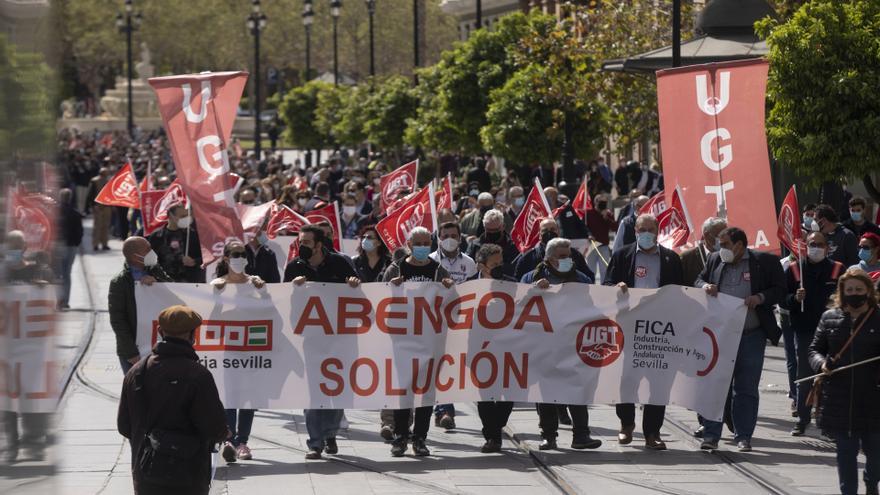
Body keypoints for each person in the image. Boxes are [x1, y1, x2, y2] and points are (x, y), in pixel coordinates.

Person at [117, 305, 228, 495]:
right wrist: (224, 433)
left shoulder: (136, 372)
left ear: (160, 332)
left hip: (146, 473)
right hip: (188, 475)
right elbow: (214, 427)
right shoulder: (198, 375)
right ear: (193, 335)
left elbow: (124, 425)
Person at [696, 227, 786, 452]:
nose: (721, 248)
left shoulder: (763, 261)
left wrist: (760, 298)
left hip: (751, 335)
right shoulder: (715, 260)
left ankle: (743, 436)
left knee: (746, 388)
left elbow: (780, 289)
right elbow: (699, 279)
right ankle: (711, 435)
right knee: (716, 385)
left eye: (725, 244)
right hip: (720, 336)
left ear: (739, 245)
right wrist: (705, 286)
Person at [604, 214, 683, 450]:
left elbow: (681, 291)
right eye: (643, 229)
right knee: (627, 379)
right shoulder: (622, 255)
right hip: (629, 327)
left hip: (659, 331)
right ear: (636, 231)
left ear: (658, 232)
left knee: (659, 382)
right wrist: (616, 288)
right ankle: (626, 424)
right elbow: (606, 284)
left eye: (652, 229)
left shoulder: (670, 258)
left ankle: (652, 432)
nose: (647, 233)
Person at [284, 225, 360, 459]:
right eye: (300, 242)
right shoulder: (294, 267)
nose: (302, 247)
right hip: (312, 338)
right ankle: (315, 443)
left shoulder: (340, 263)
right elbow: (282, 299)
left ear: (319, 244)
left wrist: (355, 286)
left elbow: (361, 297)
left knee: (337, 388)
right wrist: (293, 288)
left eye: (306, 242)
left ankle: (330, 434)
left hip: (341, 338)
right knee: (315, 390)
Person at [520, 237, 601, 450]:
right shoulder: (531, 277)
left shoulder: (582, 279)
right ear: (549, 259)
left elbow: (596, 307)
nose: (568, 260)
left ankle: (581, 435)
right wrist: (533, 290)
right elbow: (517, 306)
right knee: (545, 392)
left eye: (570, 256)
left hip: (573, 344)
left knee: (577, 388)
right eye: (562, 257)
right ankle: (548, 435)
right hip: (543, 345)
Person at [382, 227, 454, 457]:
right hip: (402, 341)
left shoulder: (437, 270)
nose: (423, 247)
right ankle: (401, 437)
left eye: (427, 242)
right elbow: (380, 298)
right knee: (404, 391)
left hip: (430, 342)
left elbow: (451, 301)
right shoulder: (396, 268)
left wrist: (448, 288)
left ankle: (420, 438)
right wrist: (391, 287)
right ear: (409, 244)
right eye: (419, 243)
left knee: (426, 392)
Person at [809, 269, 880, 495]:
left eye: (859, 290)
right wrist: (822, 364)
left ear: (869, 291)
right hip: (840, 397)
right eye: (849, 290)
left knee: (876, 453)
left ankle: (871, 483)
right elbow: (814, 350)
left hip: (873, 398)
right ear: (842, 291)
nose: (854, 294)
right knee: (846, 454)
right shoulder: (829, 317)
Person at [780, 232, 845, 436]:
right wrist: (794, 298)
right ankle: (802, 418)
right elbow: (782, 299)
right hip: (805, 329)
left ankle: (829, 422)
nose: (815, 247)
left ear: (827, 247)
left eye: (819, 244)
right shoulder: (794, 269)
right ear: (805, 246)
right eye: (811, 244)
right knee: (805, 376)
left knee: (832, 376)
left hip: (833, 331)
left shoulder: (838, 269)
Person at [208, 241, 266, 463]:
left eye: (243, 254)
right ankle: (230, 440)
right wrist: (219, 297)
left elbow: (269, 312)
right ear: (225, 258)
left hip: (252, 349)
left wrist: (263, 292)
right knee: (230, 395)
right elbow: (212, 320)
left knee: (248, 397)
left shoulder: (255, 283)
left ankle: (243, 441)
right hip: (228, 349)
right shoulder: (217, 284)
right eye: (235, 254)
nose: (239, 258)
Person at [2, 231, 53, 463]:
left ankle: (33, 441)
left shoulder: (37, 271)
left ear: (24, 247)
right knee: (8, 399)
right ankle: (12, 444)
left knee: (31, 395)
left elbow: (53, 300)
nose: (12, 249)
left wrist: (44, 287)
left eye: (16, 245)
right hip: (6, 348)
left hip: (32, 348)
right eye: (9, 245)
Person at [428, 221, 476, 429]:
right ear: (438, 238)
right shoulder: (430, 261)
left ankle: (443, 410)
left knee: (451, 367)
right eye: (445, 235)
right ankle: (445, 410)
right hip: (434, 323)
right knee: (439, 366)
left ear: (460, 237)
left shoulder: (469, 263)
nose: (449, 239)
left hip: (461, 322)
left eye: (453, 235)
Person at [471, 244, 516, 453]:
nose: (499, 267)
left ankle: (496, 426)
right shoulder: (468, 287)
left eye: (501, 263)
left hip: (508, 348)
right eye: (494, 264)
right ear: (482, 265)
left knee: (508, 393)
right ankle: (492, 436)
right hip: (479, 350)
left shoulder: (511, 285)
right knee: (485, 394)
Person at [109, 237, 171, 374]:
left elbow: (173, 292)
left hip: (158, 344)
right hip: (133, 351)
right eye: (147, 250)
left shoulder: (155, 269)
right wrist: (131, 352)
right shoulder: (119, 282)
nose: (152, 252)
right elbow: (118, 320)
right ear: (135, 256)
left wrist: (158, 283)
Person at [513, 218, 592, 282]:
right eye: (545, 230)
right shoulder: (527, 258)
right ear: (539, 235)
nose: (549, 233)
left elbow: (589, 279)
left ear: (558, 232)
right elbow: (519, 283)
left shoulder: (574, 254)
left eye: (552, 229)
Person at [147, 203, 204, 283]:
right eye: (182, 216)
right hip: (164, 282)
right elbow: (150, 261)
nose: (186, 219)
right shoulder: (157, 236)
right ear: (171, 215)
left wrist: (195, 261)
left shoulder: (193, 234)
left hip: (191, 283)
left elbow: (206, 256)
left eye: (187, 215)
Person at [467, 209, 519, 277]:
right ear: (484, 227)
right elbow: (467, 265)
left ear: (503, 226)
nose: (492, 232)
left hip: (506, 283)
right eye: (489, 230)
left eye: (495, 230)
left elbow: (516, 269)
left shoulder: (512, 246)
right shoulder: (475, 245)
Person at [57, 188, 84, 310]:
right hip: (71, 246)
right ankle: (65, 301)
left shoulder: (54, 212)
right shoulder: (75, 213)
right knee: (67, 274)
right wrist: (76, 243)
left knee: (58, 274)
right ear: (70, 197)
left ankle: (59, 300)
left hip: (59, 245)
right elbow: (80, 232)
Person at [584, 194, 617, 283]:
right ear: (595, 202)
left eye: (604, 202)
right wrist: (589, 235)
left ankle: (604, 288)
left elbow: (615, 227)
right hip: (592, 245)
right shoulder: (588, 213)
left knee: (604, 270)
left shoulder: (608, 213)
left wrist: (606, 218)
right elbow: (584, 227)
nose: (602, 204)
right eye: (600, 202)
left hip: (604, 246)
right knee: (591, 270)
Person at [89, 167, 111, 251]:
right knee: (97, 226)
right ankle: (95, 244)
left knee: (105, 226)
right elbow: (91, 194)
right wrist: (92, 205)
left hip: (106, 206)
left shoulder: (109, 181)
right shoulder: (94, 181)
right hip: (97, 206)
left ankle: (104, 244)